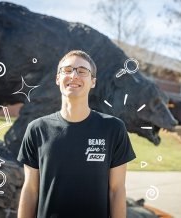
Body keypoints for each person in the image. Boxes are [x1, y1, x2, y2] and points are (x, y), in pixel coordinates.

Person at [17, 50, 136, 218]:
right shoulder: (37, 129)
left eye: (82, 71)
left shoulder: (113, 129)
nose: (74, 75)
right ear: (58, 78)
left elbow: (116, 190)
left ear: (93, 82)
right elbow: (30, 189)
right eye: (67, 70)